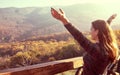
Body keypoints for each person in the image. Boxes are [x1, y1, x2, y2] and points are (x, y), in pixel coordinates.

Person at [51, 8, 119, 75]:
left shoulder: (97, 50)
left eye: (91, 29)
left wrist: (64, 20)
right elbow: (104, 30)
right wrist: (109, 20)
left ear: (97, 31)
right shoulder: (106, 48)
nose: (90, 31)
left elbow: (79, 37)